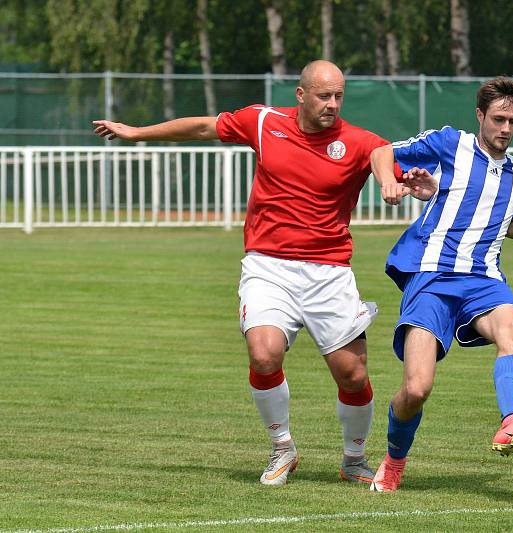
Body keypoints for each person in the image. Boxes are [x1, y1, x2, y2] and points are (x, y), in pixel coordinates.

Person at [93, 60, 389, 486]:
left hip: (329, 272)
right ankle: (282, 449)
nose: (332, 104)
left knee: (353, 374)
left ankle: (354, 460)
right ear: (301, 95)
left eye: (339, 96)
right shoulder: (263, 121)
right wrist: (136, 132)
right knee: (264, 354)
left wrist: (407, 182)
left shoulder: (357, 141)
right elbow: (201, 128)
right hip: (268, 266)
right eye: (324, 96)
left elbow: (386, 157)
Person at [367, 77, 513, 492]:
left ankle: (512, 423)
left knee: (512, 326)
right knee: (416, 389)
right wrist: (387, 182)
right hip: (432, 275)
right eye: (499, 119)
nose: (505, 128)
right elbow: (382, 152)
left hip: (484, 278)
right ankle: (395, 461)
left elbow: (508, 221)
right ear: (480, 116)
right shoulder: (451, 144)